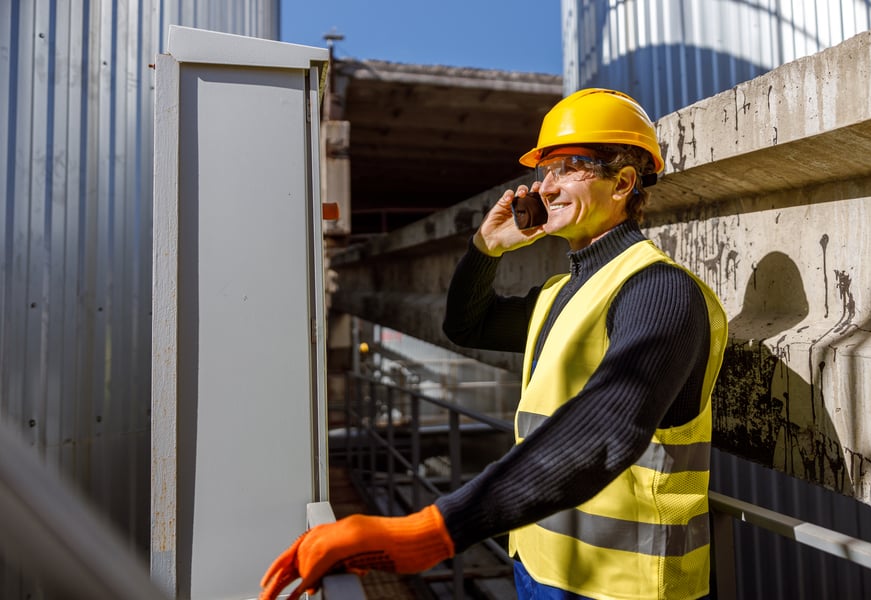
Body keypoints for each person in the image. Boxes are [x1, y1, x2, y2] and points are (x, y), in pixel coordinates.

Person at [258, 88, 728, 600]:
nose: (546, 187)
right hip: (537, 565)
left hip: (625, 588)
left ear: (623, 183)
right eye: (544, 171)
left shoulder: (661, 290)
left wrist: (432, 530)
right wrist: (487, 249)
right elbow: (467, 325)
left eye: (568, 167)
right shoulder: (561, 292)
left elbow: (606, 428)